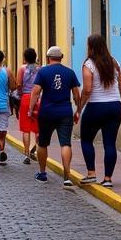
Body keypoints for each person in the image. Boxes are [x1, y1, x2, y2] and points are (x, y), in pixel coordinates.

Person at [77, 34, 121, 188]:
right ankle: (108, 178)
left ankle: (91, 173)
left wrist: (79, 108)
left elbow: (87, 89)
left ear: (90, 47)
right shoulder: (114, 63)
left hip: (96, 107)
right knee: (110, 143)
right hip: (114, 107)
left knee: (86, 139)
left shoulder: (89, 64)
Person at [28, 45, 81, 186]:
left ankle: (42, 173)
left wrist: (30, 108)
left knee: (43, 142)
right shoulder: (69, 72)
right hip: (65, 112)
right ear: (61, 57)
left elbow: (36, 91)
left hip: (47, 112)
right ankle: (67, 176)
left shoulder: (43, 72)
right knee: (65, 143)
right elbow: (76, 94)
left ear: (48, 58)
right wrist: (78, 110)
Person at [16, 47, 41, 164]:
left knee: (25, 128)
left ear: (25, 58)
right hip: (37, 99)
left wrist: (20, 95)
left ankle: (26, 154)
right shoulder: (39, 69)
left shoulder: (22, 69)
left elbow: (19, 84)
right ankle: (36, 151)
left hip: (26, 98)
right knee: (37, 128)